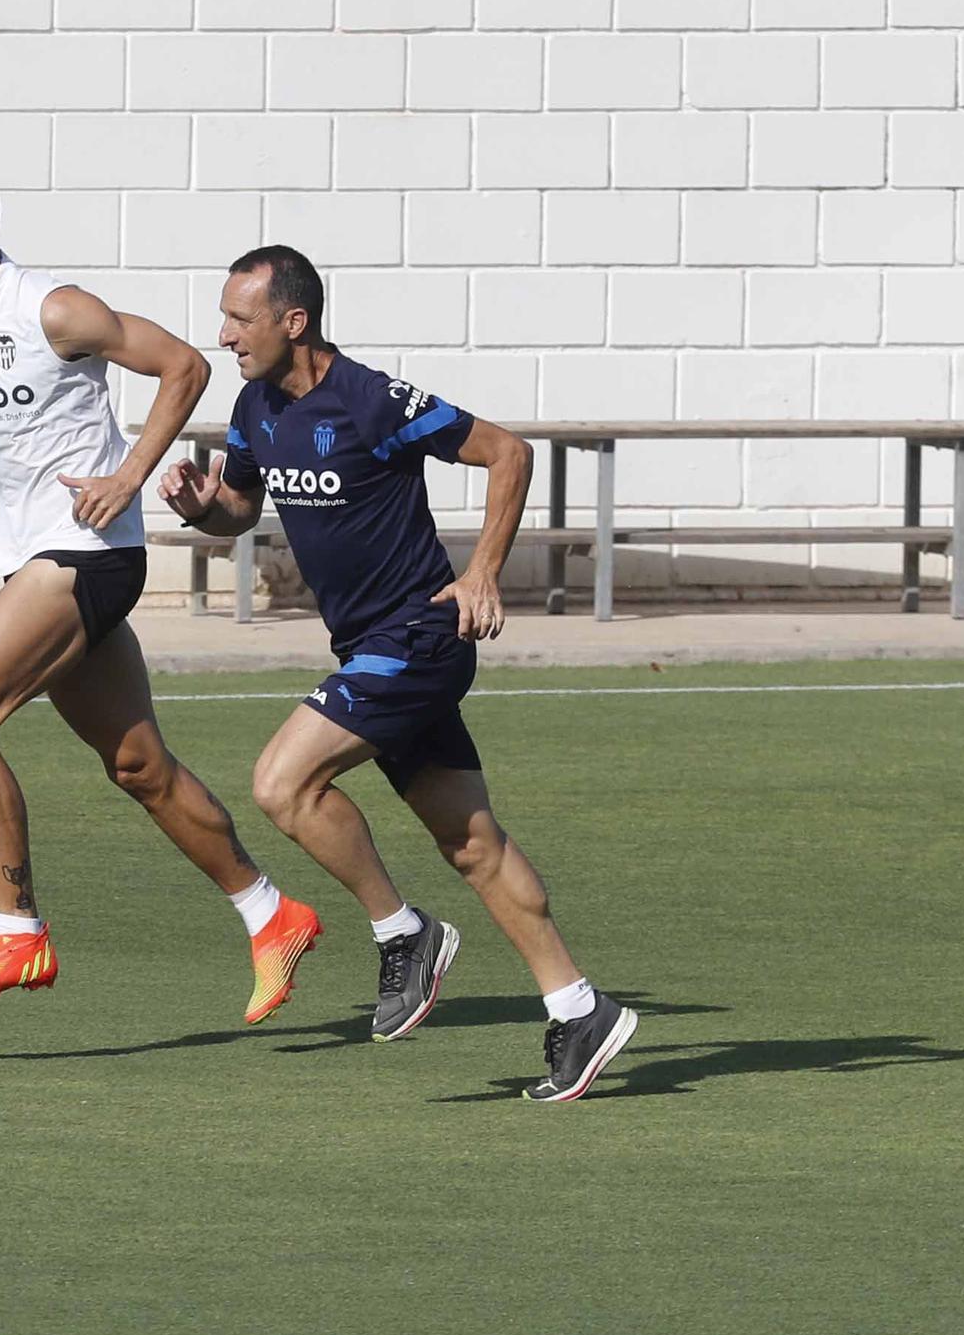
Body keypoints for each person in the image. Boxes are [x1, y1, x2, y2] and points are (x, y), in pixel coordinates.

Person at [158, 246, 634, 1102]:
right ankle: (579, 1008)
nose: (223, 334)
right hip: (368, 650)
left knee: (281, 783)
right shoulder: (255, 405)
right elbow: (239, 509)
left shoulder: (371, 400)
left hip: (417, 637)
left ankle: (401, 931)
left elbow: (507, 453)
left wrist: (481, 572)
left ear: (293, 321)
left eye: (238, 318)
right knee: (473, 845)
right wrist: (204, 508)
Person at [0, 159, 319, 1019]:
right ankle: (271, 914)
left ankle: (18, 930)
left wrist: (129, 475)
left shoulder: (54, 310)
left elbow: (184, 366)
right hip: (30, 562)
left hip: (86, 552)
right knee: (139, 766)